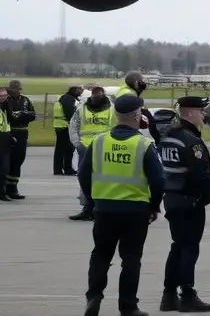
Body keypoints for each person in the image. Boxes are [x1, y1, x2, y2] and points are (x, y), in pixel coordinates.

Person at [79, 94, 165, 316]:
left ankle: (94, 297)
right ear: (138, 114)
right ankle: (128, 306)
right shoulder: (144, 144)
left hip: (105, 208)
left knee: (100, 255)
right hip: (135, 210)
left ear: (116, 114)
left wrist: (92, 199)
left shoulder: (98, 141)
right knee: (131, 259)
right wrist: (154, 206)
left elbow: (83, 174)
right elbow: (158, 180)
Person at [158, 96, 210, 312]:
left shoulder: (169, 137)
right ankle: (187, 294)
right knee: (189, 248)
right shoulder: (191, 141)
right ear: (190, 113)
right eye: (201, 111)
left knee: (177, 246)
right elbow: (200, 175)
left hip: (171, 198)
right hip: (190, 200)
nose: (204, 115)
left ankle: (168, 296)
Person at [69, 85, 114, 221]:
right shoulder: (81, 109)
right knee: (84, 178)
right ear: (91, 96)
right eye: (95, 95)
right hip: (85, 148)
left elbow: (118, 126)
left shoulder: (112, 109)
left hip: (105, 148)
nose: (97, 97)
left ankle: (102, 208)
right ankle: (87, 208)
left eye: (99, 95)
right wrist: (77, 144)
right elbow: (73, 126)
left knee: (104, 179)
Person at [1, 80, 36, 199]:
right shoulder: (6, 101)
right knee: (6, 162)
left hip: (23, 133)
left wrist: (21, 115)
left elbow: (32, 115)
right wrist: (21, 115)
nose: (16, 91)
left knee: (18, 160)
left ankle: (13, 188)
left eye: (18, 89)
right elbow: (11, 118)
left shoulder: (25, 100)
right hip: (10, 133)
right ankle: (4, 188)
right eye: (14, 89)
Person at [112, 72, 160, 144]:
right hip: (121, 124)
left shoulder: (125, 90)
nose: (143, 83)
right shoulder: (129, 94)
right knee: (148, 116)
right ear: (136, 83)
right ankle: (158, 141)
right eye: (141, 81)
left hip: (118, 122)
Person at [54, 84, 83, 176]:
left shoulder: (66, 98)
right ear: (74, 90)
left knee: (61, 148)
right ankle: (67, 169)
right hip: (65, 126)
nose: (81, 92)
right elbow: (70, 113)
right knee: (68, 148)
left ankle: (59, 169)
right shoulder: (68, 99)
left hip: (61, 125)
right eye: (79, 90)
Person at [0, 88, 10, 202]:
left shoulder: (5, 108)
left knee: (4, 169)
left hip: (5, 141)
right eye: (1, 96)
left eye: (4, 95)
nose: (3, 98)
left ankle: (2, 193)